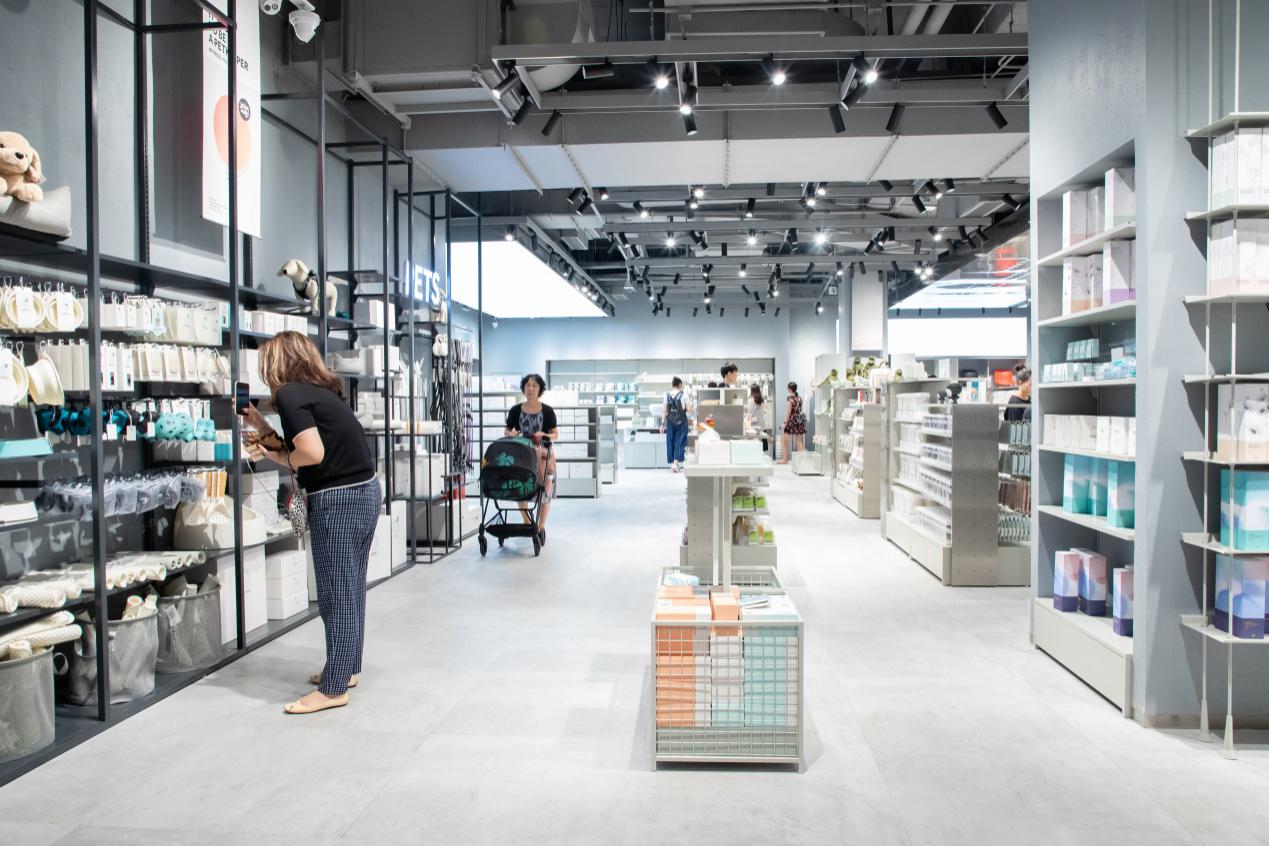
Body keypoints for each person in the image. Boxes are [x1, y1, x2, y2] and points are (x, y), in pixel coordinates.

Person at [241, 331, 379, 716]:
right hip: (364, 491)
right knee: (350, 589)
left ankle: (333, 688)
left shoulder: (289, 394)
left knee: (336, 594)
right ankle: (346, 669)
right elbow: (313, 449)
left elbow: (311, 454)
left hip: (338, 500)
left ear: (278, 361)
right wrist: (262, 426)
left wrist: (280, 456)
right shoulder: (319, 392)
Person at [504, 373, 559, 544]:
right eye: (527, 385)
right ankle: (527, 522)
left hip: (544, 457)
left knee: (545, 492)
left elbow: (555, 434)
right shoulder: (515, 410)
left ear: (540, 389)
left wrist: (545, 435)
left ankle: (540, 527)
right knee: (521, 490)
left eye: (534, 385)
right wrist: (511, 433)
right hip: (522, 456)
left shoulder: (548, 411)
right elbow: (507, 430)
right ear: (523, 389)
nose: (531, 388)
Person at [661, 376, 691, 472]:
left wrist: (662, 424)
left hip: (670, 422)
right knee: (680, 441)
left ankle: (674, 463)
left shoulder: (666, 395)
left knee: (671, 442)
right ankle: (675, 464)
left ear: (672, 385)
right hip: (681, 422)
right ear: (680, 385)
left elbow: (664, 411)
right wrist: (689, 409)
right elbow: (689, 410)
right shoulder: (684, 394)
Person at [779, 381, 806, 464]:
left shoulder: (790, 398)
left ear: (789, 389)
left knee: (783, 440)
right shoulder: (799, 398)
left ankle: (785, 459)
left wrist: (785, 423)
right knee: (799, 441)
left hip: (791, 420)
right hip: (799, 419)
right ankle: (801, 461)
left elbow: (788, 411)